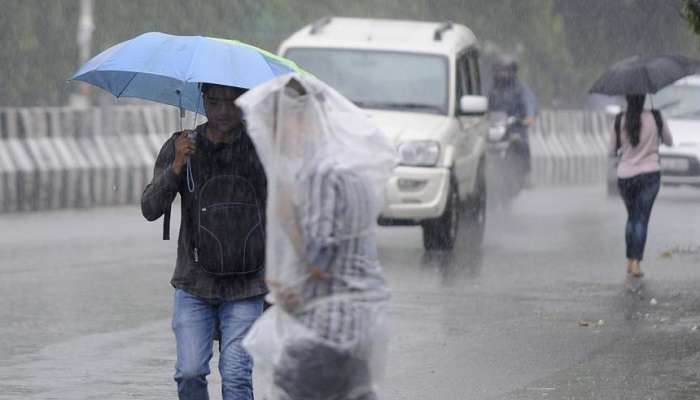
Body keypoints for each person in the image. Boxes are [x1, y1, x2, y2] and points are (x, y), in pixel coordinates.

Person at [237, 75, 396, 400]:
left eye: (275, 125)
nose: (273, 135)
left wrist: (286, 217)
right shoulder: (351, 168)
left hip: (330, 328)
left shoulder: (320, 174)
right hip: (360, 325)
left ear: (297, 118)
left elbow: (321, 260)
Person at [141, 82, 267, 400]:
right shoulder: (182, 146)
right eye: (214, 101)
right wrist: (177, 166)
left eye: (232, 101)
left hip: (247, 285)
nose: (223, 110)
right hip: (194, 284)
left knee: (237, 376)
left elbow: (287, 205)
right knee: (189, 373)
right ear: (202, 101)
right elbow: (150, 208)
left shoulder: (261, 145)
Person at [609, 94, 673, 277]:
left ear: (627, 99)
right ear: (644, 98)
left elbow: (611, 150)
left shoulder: (620, 119)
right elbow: (669, 141)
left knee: (632, 217)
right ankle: (636, 261)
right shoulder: (656, 117)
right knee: (641, 218)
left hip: (625, 176)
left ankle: (630, 261)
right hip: (649, 175)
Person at [488, 54, 536, 181]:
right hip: (496, 128)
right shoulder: (492, 90)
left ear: (512, 72)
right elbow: (486, 106)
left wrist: (529, 117)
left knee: (521, 143)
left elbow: (530, 102)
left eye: (506, 70)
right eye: (499, 70)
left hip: (516, 127)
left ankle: (526, 174)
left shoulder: (521, 89)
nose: (502, 74)